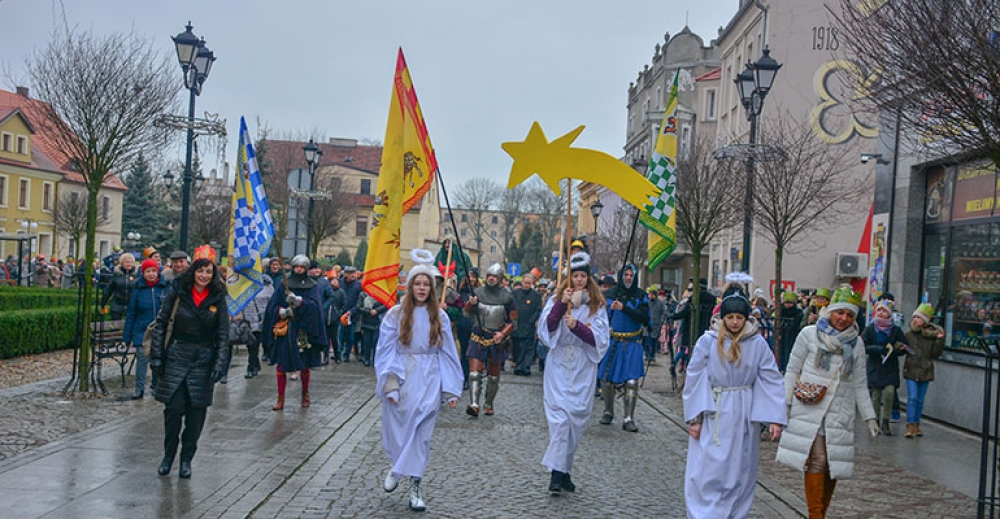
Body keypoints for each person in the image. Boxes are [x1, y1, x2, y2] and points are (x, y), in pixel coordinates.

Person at [776, 286, 880, 519]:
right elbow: (792, 369)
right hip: (810, 406)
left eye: (849, 315)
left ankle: (820, 513)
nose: (843, 318)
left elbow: (860, 384)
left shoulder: (857, 344)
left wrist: (869, 416)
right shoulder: (809, 334)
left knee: (833, 466)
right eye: (839, 312)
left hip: (838, 410)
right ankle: (816, 515)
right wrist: (786, 402)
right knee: (818, 460)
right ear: (830, 311)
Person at [683, 289, 786, 517]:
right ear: (723, 318)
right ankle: (705, 513)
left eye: (739, 318)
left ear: (746, 318)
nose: (735, 322)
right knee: (710, 467)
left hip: (743, 412)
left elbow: (770, 377)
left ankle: (735, 513)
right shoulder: (707, 341)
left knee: (740, 468)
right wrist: (695, 417)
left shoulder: (757, 344)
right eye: (730, 318)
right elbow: (696, 377)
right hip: (715, 410)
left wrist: (774, 419)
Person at [375, 254, 463, 513]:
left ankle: (415, 488)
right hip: (403, 376)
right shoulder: (396, 314)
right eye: (418, 283)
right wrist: (390, 384)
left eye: (427, 284)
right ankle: (398, 466)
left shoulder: (441, 317)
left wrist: (450, 388)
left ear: (432, 288)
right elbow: (385, 350)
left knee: (421, 435)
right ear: (411, 286)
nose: (422, 288)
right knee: (402, 430)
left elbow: (448, 353)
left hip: (429, 377)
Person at [149, 255, 230, 479]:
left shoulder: (218, 297)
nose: (204, 276)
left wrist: (219, 364)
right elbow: (161, 324)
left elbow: (224, 334)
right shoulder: (178, 293)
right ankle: (168, 456)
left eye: (208, 272)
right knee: (173, 410)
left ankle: (187, 459)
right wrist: (157, 357)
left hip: (203, 360)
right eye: (200, 271)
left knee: (196, 416)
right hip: (177, 355)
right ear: (193, 272)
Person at [536, 251, 609, 494]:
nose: (578, 280)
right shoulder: (556, 299)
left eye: (582, 276)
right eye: (574, 276)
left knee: (575, 420)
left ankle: (564, 470)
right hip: (559, 365)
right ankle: (556, 476)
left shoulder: (596, 306)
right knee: (560, 420)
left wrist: (577, 327)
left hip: (582, 366)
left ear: (588, 279)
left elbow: (600, 339)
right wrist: (559, 306)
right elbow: (546, 329)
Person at [262, 254, 328, 410]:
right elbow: (272, 306)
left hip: (303, 331)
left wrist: (300, 302)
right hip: (287, 330)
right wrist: (283, 312)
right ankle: (280, 399)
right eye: (296, 267)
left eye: (302, 267)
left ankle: (305, 394)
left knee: (304, 365)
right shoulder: (284, 284)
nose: (299, 270)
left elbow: (316, 308)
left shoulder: (312, 286)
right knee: (281, 365)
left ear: (306, 269)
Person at [598, 263, 649, 432]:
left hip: (632, 342)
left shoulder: (641, 296)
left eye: (631, 275)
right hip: (613, 341)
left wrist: (624, 308)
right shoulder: (609, 295)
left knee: (632, 381)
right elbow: (600, 318)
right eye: (625, 275)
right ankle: (608, 411)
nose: (628, 278)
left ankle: (629, 417)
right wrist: (610, 310)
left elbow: (644, 318)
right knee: (606, 380)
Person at [463, 262, 515, 417]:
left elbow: (513, 321)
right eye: (489, 276)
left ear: (500, 279)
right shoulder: (477, 293)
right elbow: (466, 313)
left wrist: (503, 334)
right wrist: (470, 304)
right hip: (478, 335)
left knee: (493, 376)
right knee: (474, 374)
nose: (491, 279)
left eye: (495, 276)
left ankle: (488, 403)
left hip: (496, 338)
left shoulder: (507, 297)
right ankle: (473, 404)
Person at [124, 258, 169, 399]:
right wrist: (127, 336)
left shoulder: (164, 287)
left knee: (158, 358)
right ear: (143, 273)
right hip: (141, 331)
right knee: (142, 359)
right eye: (148, 271)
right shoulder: (138, 289)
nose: (151, 274)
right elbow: (131, 313)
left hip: (160, 330)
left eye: (153, 271)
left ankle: (156, 386)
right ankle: (139, 388)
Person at [861, 298, 907, 436]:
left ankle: (886, 421)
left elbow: (903, 346)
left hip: (890, 367)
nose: (881, 313)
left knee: (889, 393)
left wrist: (897, 349)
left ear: (890, 314)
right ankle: (874, 421)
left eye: (884, 311)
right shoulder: (870, 328)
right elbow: (863, 345)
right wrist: (879, 349)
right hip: (875, 366)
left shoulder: (896, 329)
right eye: (879, 310)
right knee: (875, 395)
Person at [902, 303, 945, 438]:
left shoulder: (931, 336)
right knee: (913, 398)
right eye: (914, 317)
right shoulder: (908, 335)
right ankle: (909, 424)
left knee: (920, 400)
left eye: (919, 318)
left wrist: (939, 341)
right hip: (911, 369)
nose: (915, 320)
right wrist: (900, 347)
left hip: (926, 370)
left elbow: (935, 354)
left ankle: (916, 424)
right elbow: (900, 345)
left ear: (925, 321)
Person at [242, 274, 273, 378]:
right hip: (247, 320)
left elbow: (271, 304)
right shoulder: (244, 285)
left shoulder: (268, 286)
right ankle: (255, 364)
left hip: (261, 321)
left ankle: (251, 367)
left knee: (254, 344)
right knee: (250, 345)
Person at [512, 272, 542, 376]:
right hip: (517, 324)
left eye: (529, 283)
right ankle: (518, 365)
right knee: (517, 347)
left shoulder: (536, 296)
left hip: (529, 324)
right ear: (522, 282)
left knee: (528, 347)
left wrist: (532, 320)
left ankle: (526, 366)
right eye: (525, 283)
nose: (527, 285)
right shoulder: (515, 293)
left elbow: (538, 309)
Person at [309, 260, 336, 365]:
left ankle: (324, 356)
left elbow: (331, 296)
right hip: (308, 314)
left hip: (321, 315)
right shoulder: (305, 281)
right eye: (313, 268)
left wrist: (323, 307)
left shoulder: (323, 282)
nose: (316, 270)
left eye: (317, 268)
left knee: (324, 335)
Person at [338, 266, 363, 362]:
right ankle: (338, 354)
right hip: (341, 314)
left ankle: (346, 355)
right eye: (350, 273)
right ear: (345, 274)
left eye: (353, 272)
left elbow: (359, 302)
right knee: (339, 336)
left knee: (350, 337)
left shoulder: (358, 286)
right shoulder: (340, 283)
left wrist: (351, 312)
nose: (352, 275)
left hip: (353, 315)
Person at [356, 290, 388, 367]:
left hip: (377, 322)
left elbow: (385, 305)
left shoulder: (380, 293)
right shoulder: (362, 294)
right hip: (366, 321)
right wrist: (369, 311)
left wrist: (377, 311)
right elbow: (359, 307)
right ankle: (367, 359)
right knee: (367, 342)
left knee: (375, 342)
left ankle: (375, 359)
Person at [102, 253, 139, 319]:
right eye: (127, 262)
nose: (129, 264)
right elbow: (109, 290)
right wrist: (103, 303)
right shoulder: (116, 275)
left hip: (131, 305)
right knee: (114, 325)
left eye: (131, 262)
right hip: (117, 305)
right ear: (122, 263)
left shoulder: (137, 275)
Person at [776, 290, 805, 372]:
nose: (788, 305)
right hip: (782, 336)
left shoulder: (798, 313)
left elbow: (798, 325)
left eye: (790, 303)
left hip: (793, 336)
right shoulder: (779, 311)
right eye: (786, 302)